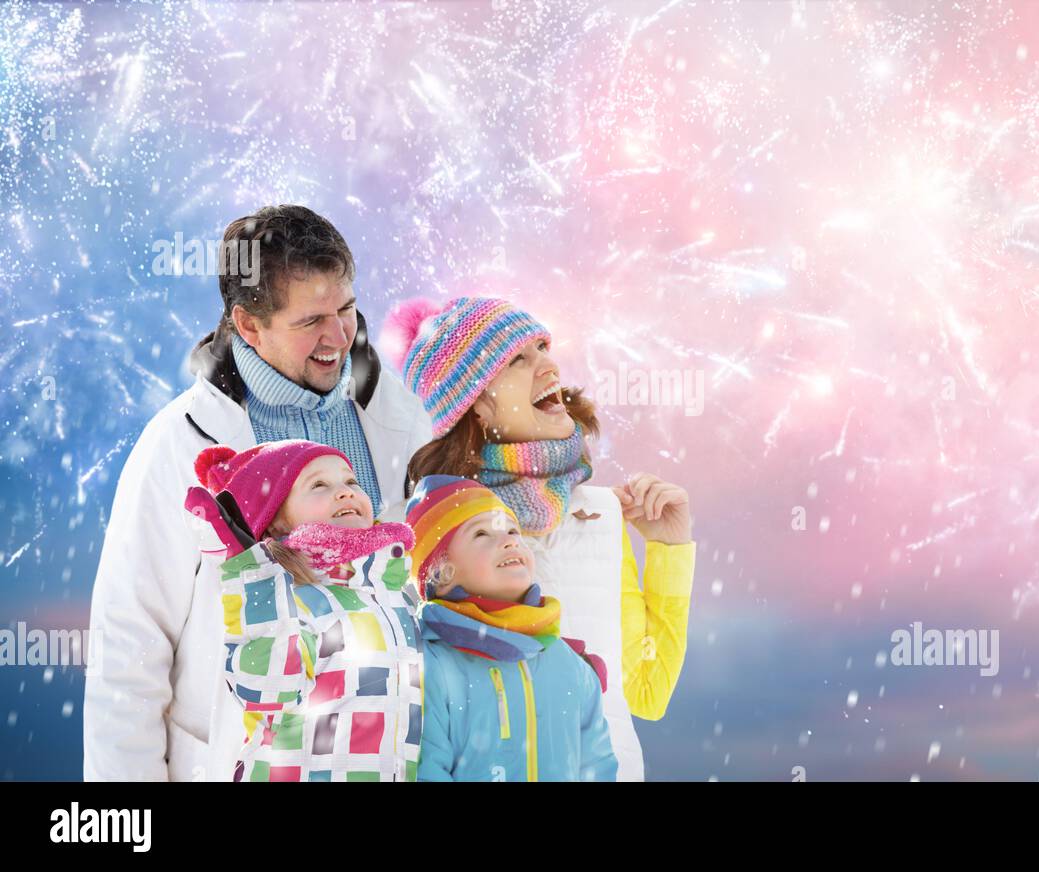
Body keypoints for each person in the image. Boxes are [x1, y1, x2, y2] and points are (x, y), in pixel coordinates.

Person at [84, 205, 428, 781]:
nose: (339, 336)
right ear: (248, 325)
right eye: (311, 320)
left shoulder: (400, 415)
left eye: (346, 308)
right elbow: (129, 644)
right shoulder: (178, 445)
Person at [381, 295, 695, 781]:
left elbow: (645, 691)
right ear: (476, 404)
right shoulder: (419, 532)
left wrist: (669, 550)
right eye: (518, 359)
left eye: (543, 347)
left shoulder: (601, 512)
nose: (548, 365)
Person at [185, 440, 422, 782]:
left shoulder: (398, 598)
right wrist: (253, 575)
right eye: (319, 485)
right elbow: (267, 687)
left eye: (351, 482)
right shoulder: (291, 601)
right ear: (276, 524)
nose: (344, 492)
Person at [407, 475, 616, 781]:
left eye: (512, 530)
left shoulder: (569, 664)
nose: (508, 540)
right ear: (442, 573)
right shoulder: (431, 668)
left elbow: (598, 766)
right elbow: (426, 769)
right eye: (481, 534)